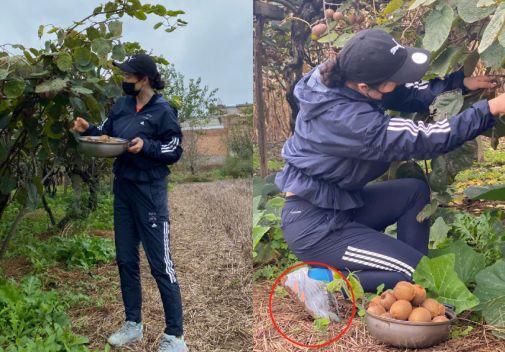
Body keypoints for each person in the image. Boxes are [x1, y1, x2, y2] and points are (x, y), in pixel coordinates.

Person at [275, 29, 505, 320]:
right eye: (395, 78)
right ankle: (319, 279)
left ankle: (412, 284)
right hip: (317, 228)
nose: (401, 82)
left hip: (341, 204)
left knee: (413, 192)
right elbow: (426, 139)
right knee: (412, 271)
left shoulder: (335, 77)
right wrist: (491, 108)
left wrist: (458, 83)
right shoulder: (352, 122)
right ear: (365, 86)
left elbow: (405, 94)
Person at [72, 54, 188, 352]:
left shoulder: (163, 110)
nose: (123, 81)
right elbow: (105, 134)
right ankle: (133, 324)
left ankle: (175, 336)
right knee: (125, 259)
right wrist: (88, 129)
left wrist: (146, 146)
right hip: (123, 188)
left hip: (149, 191)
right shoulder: (121, 106)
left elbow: (174, 148)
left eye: (128, 76)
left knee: (161, 264)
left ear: (144, 79)